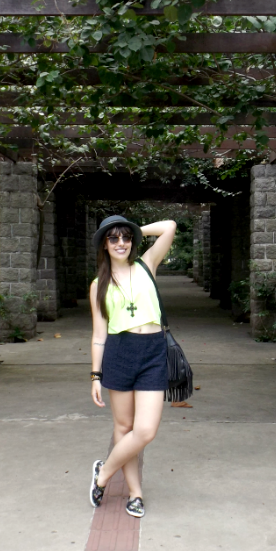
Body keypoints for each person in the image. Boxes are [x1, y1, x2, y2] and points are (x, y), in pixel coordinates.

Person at [88, 215, 177, 518]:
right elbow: (99, 336)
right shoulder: (98, 285)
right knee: (124, 428)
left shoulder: (146, 264)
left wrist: (137, 229)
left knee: (145, 430)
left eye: (126, 237)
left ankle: (103, 472)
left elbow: (169, 226)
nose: (121, 243)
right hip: (119, 352)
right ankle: (135, 494)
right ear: (104, 245)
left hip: (152, 351)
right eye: (113, 238)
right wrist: (95, 375)